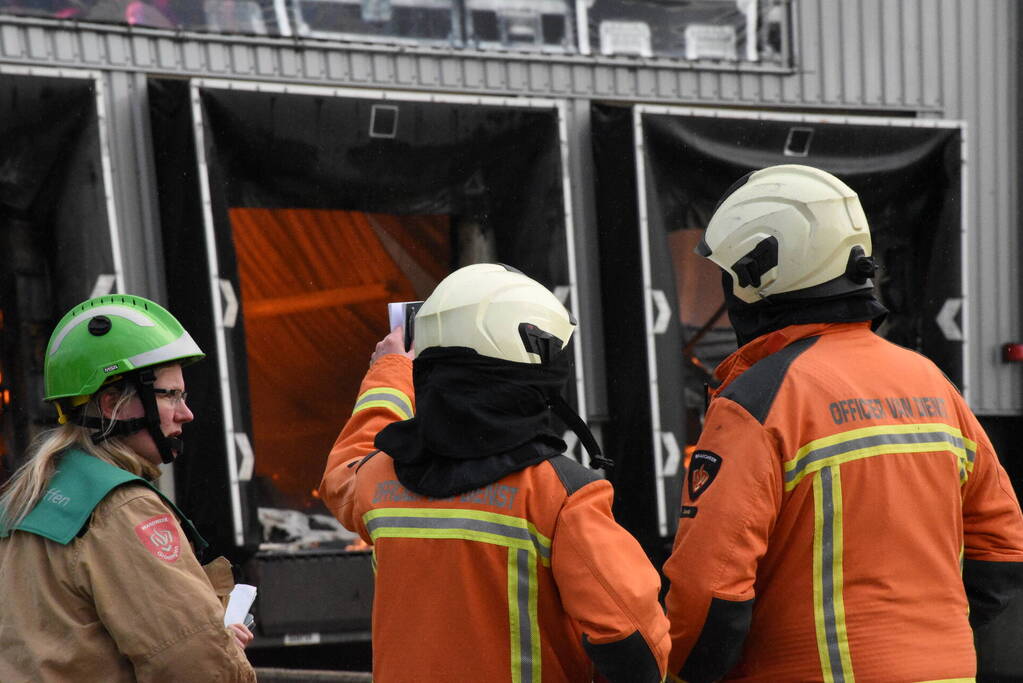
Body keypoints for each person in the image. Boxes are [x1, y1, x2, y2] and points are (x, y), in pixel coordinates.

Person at [662, 164, 1023, 682]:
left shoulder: (759, 400)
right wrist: (923, 637)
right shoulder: (930, 382)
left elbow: (710, 588)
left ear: (755, 274)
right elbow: (1002, 548)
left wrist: (680, 670)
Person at [320, 263, 670, 682]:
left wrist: (391, 369)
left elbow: (343, 472)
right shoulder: (560, 495)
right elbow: (635, 647)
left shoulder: (378, 480)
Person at [0, 294, 256, 682]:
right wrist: (224, 652)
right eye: (171, 395)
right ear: (111, 404)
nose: (186, 413)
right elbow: (194, 665)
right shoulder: (123, 507)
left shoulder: (22, 499)